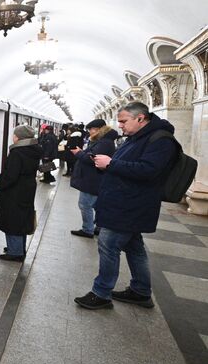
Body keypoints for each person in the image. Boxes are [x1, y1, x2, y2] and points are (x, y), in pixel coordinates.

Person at [74, 102, 178, 310]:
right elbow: (131, 166)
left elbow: (148, 170)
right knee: (134, 247)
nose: (119, 125)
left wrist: (110, 164)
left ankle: (101, 293)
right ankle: (140, 291)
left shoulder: (161, 140)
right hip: (125, 202)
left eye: (123, 121)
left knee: (108, 245)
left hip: (131, 205)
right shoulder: (138, 138)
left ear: (140, 118)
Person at [0, 125, 42, 262]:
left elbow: (11, 175)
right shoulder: (33, 150)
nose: (13, 137)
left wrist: (0, 185)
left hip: (15, 191)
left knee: (12, 220)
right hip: (26, 189)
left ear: (19, 137)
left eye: (14, 135)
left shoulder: (18, 152)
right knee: (21, 219)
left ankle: (15, 253)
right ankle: (18, 248)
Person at [69, 119, 117, 238]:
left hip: (92, 179)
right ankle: (97, 227)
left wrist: (78, 153)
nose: (89, 132)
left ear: (98, 129)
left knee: (85, 204)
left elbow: (93, 159)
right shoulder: (102, 141)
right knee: (95, 204)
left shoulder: (104, 142)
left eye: (91, 129)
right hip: (93, 178)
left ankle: (87, 229)